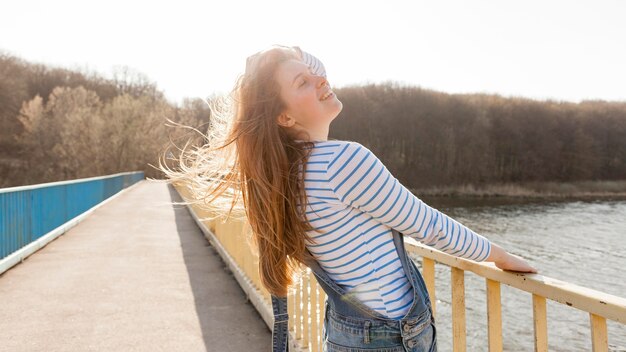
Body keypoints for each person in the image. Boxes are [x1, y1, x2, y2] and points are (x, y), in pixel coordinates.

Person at [158, 44, 538, 352]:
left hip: (347, 332)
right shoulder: (343, 162)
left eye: (315, 74)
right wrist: (499, 255)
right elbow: (428, 225)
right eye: (303, 83)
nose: (321, 79)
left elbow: (310, 72)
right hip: (391, 337)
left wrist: (284, 59)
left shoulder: (283, 176)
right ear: (285, 118)